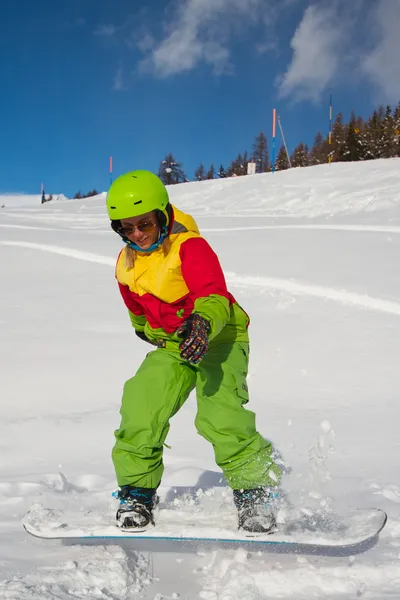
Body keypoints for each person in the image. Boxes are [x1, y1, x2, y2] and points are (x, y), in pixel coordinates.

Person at [106, 170, 281, 533]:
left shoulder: (190, 247)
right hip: (174, 343)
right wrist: (142, 327)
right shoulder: (126, 262)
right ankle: (137, 492)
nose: (137, 234)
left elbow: (214, 294)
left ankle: (254, 494)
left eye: (145, 224)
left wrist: (202, 322)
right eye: (127, 228)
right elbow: (134, 303)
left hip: (219, 337)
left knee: (219, 413)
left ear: (163, 216)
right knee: (141, 402)